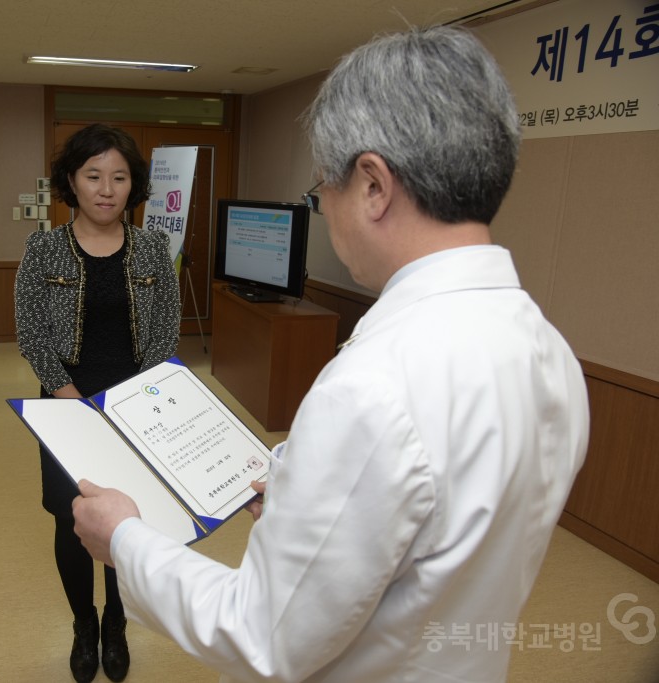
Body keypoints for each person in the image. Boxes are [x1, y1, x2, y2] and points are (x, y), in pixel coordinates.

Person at [72, 26, 589, 683]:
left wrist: (124, 537)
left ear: (373, 185)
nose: (325, 209)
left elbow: (261, 632)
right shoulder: (548, 349)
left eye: (324, 190)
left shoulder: (375, 387)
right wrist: (301, 488)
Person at [14, 123, 181, 682]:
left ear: (133, 186)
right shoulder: (43, 248)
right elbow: (32, 334)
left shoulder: (155, 247)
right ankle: (83, 623)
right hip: (65, 403)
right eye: (93, 176)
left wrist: (131, 403)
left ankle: (116, 623)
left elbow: (165, 331)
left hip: (136, 406)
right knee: (71, 516)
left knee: (125, 520)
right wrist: (74, 401)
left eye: (119, 177)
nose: (106, 188)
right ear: (71, 182)